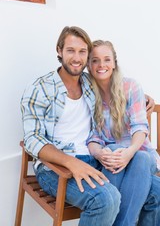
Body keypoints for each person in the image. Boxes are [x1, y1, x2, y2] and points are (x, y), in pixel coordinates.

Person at [21, 26, 158, 226]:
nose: (76, 58)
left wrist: (143, 97)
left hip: (96, 160)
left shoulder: (88, 83)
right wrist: (70, 162)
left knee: (157, 192)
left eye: (82, 52)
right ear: (59, 51)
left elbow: (114, 87)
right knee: (105, 200)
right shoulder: (40, 88)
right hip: (57, 168)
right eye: (70, 50)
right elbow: (32, 139)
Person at [87, 39, 160, 225]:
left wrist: (130, 152)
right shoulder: (88, 93)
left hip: (139, 154)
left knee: (141, 157)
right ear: (88, 64)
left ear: (114, 63)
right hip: (112, 159)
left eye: (106, 59)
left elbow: (139, 126)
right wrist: (99, 153)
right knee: (112, 150)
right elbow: (93, 137)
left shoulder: (130, 87)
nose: (101, 65)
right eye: (95, 60)